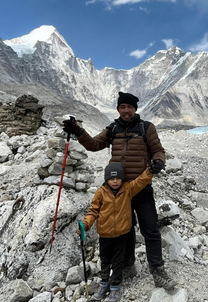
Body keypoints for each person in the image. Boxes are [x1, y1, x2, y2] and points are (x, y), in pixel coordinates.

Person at [64, 92, 176, 291]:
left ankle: (158, 272)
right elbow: (93, 145)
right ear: (118, 109)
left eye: (129, 107)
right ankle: (127, 265)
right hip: (119, 190)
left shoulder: (146, 128)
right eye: (122, 107)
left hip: (141, 188)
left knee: (150, 229)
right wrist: (78, 131)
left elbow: (158, 150)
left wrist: (158, 161)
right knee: (125, 230)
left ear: (135, 109)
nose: (126, 110)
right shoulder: (112, 129)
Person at [77, 163, 155, 301]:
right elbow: (93, 211)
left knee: (118, 261)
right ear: (106, 179)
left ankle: (115, 286)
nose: (115, 181)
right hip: (105, 235)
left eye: (118, 178)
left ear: (122, 179)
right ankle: (103, 283)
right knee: (105, 259)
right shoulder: (101, 192)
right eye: (112, 178)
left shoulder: (128, 189)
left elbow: (140, 182)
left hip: (121, 235)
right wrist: (86, 224)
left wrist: (149, 171)